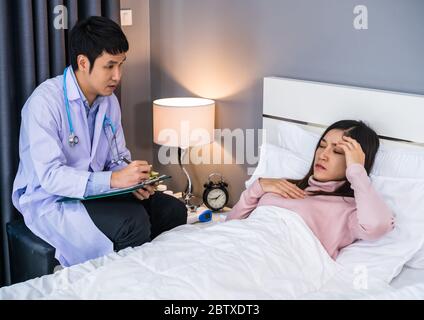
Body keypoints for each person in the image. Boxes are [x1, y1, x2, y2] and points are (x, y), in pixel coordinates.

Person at [12, 16, 187, 267]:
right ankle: (126, 287)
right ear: (83, 62)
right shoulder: (45, 103)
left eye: (121, 65)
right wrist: (115, 180)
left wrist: (134, 180)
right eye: (110, 66)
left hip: (97, 193)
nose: (118, 76)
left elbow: (116, 158)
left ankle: (159, 275)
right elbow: (50, 177)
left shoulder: (109, 102)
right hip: (54, 200)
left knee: (173, 210)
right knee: (132, 222)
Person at [226, 120, 395, 259]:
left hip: (274, 259)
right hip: (236, 245)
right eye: (322, 146)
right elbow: (231, 225)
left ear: (353, 161)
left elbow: (377, 226)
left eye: (337, 151)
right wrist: (259, 186)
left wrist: (357, 172)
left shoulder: (348, 210)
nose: (323, 155)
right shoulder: (284, 186)